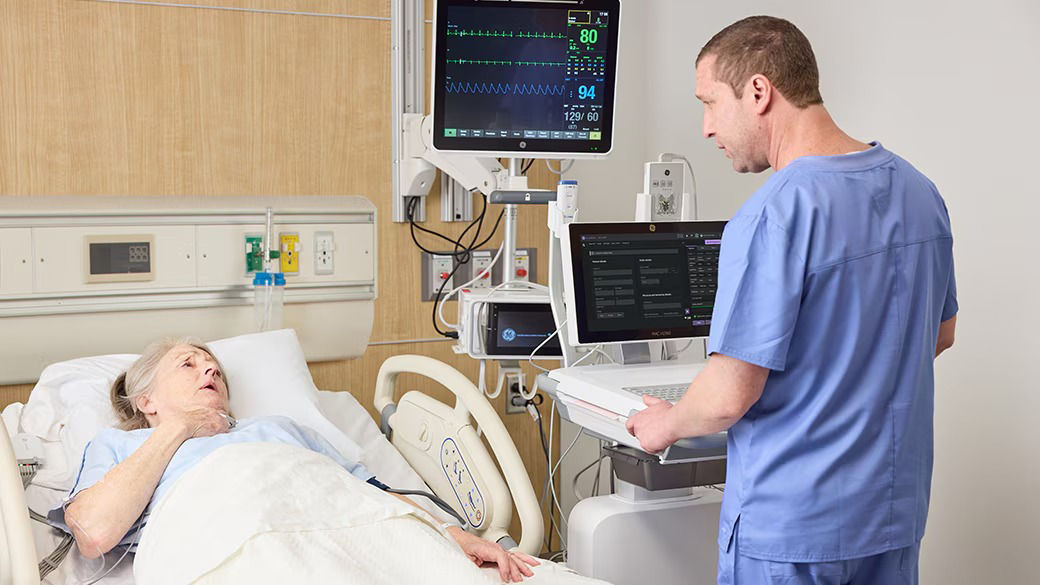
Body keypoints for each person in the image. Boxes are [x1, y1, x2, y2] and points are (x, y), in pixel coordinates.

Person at [626, 15, 957, 585]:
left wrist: (668, 422)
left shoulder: (773, 215)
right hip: (890, 519)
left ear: (758, 92)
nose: (706, 128)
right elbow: (938, 334)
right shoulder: (919, 192)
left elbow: (728, 396)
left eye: (709, 102)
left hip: (792, 534)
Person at [48, 337, 539, 583]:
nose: (211, 367)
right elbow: (95, 533)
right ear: (146, 401)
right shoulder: (120, 449)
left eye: (212, 363)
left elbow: (373, 501)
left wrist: (455, 538)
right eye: (189, 363)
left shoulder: (280, 429)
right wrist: (181, 428)